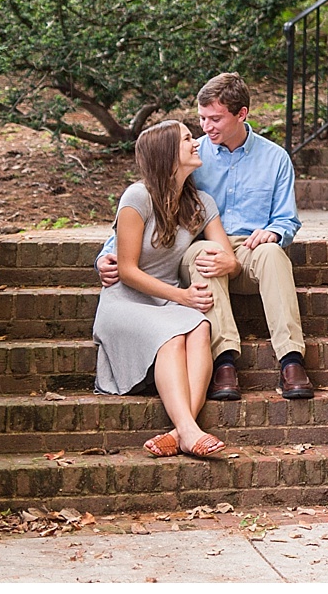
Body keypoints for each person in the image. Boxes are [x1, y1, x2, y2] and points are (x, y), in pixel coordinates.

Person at [97, 72, 313, 400]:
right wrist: (108, 251)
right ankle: (224, 361)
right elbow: (151, 195)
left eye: (215, 119)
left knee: (272, 254)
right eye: (201, 119)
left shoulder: (275, 159)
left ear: (241, 114)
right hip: (198, 250)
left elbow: (285, 219)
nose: (205, 128)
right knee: (206, 253)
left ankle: (291, 359)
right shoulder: (193, 153)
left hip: (248, 248)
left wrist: (273, 232)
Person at [93, 119, 235, 459]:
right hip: (126, 301)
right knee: (172, 334)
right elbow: (126, 270)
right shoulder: (136, 197)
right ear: (167, 153)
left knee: (201, 326)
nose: (196, 143)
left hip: (166, 300)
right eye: (187, 139)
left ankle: (182, 430)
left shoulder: (201, 203)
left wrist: (228, 263)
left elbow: (228, 254)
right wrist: (183, 297)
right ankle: (189, 430)